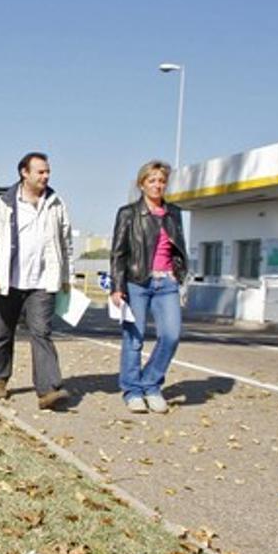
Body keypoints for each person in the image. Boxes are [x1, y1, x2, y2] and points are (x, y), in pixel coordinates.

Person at [0, 152, 74, 410]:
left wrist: (66, 277)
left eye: (47, 171)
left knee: (42, 333)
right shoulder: (2, 205)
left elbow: (66, 245)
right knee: (3, 333)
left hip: (42, 283)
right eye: (40, 172)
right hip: (8, 281)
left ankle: (48, 390)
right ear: (24, 173)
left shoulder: (56, 204)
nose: (46, 176)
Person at [109, 160, 188, 413]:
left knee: (171, 335)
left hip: (167, 283)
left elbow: (178, 248)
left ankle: (151, 385)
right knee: (134, 338)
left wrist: (178, 274)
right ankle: (132, 390)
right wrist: (117, 286)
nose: (157, 185)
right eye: (152, 180)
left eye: (161, 181)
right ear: (142, 184)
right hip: (136, 282)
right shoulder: (128, 213)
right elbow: (118, 253)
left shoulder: (174, 213)